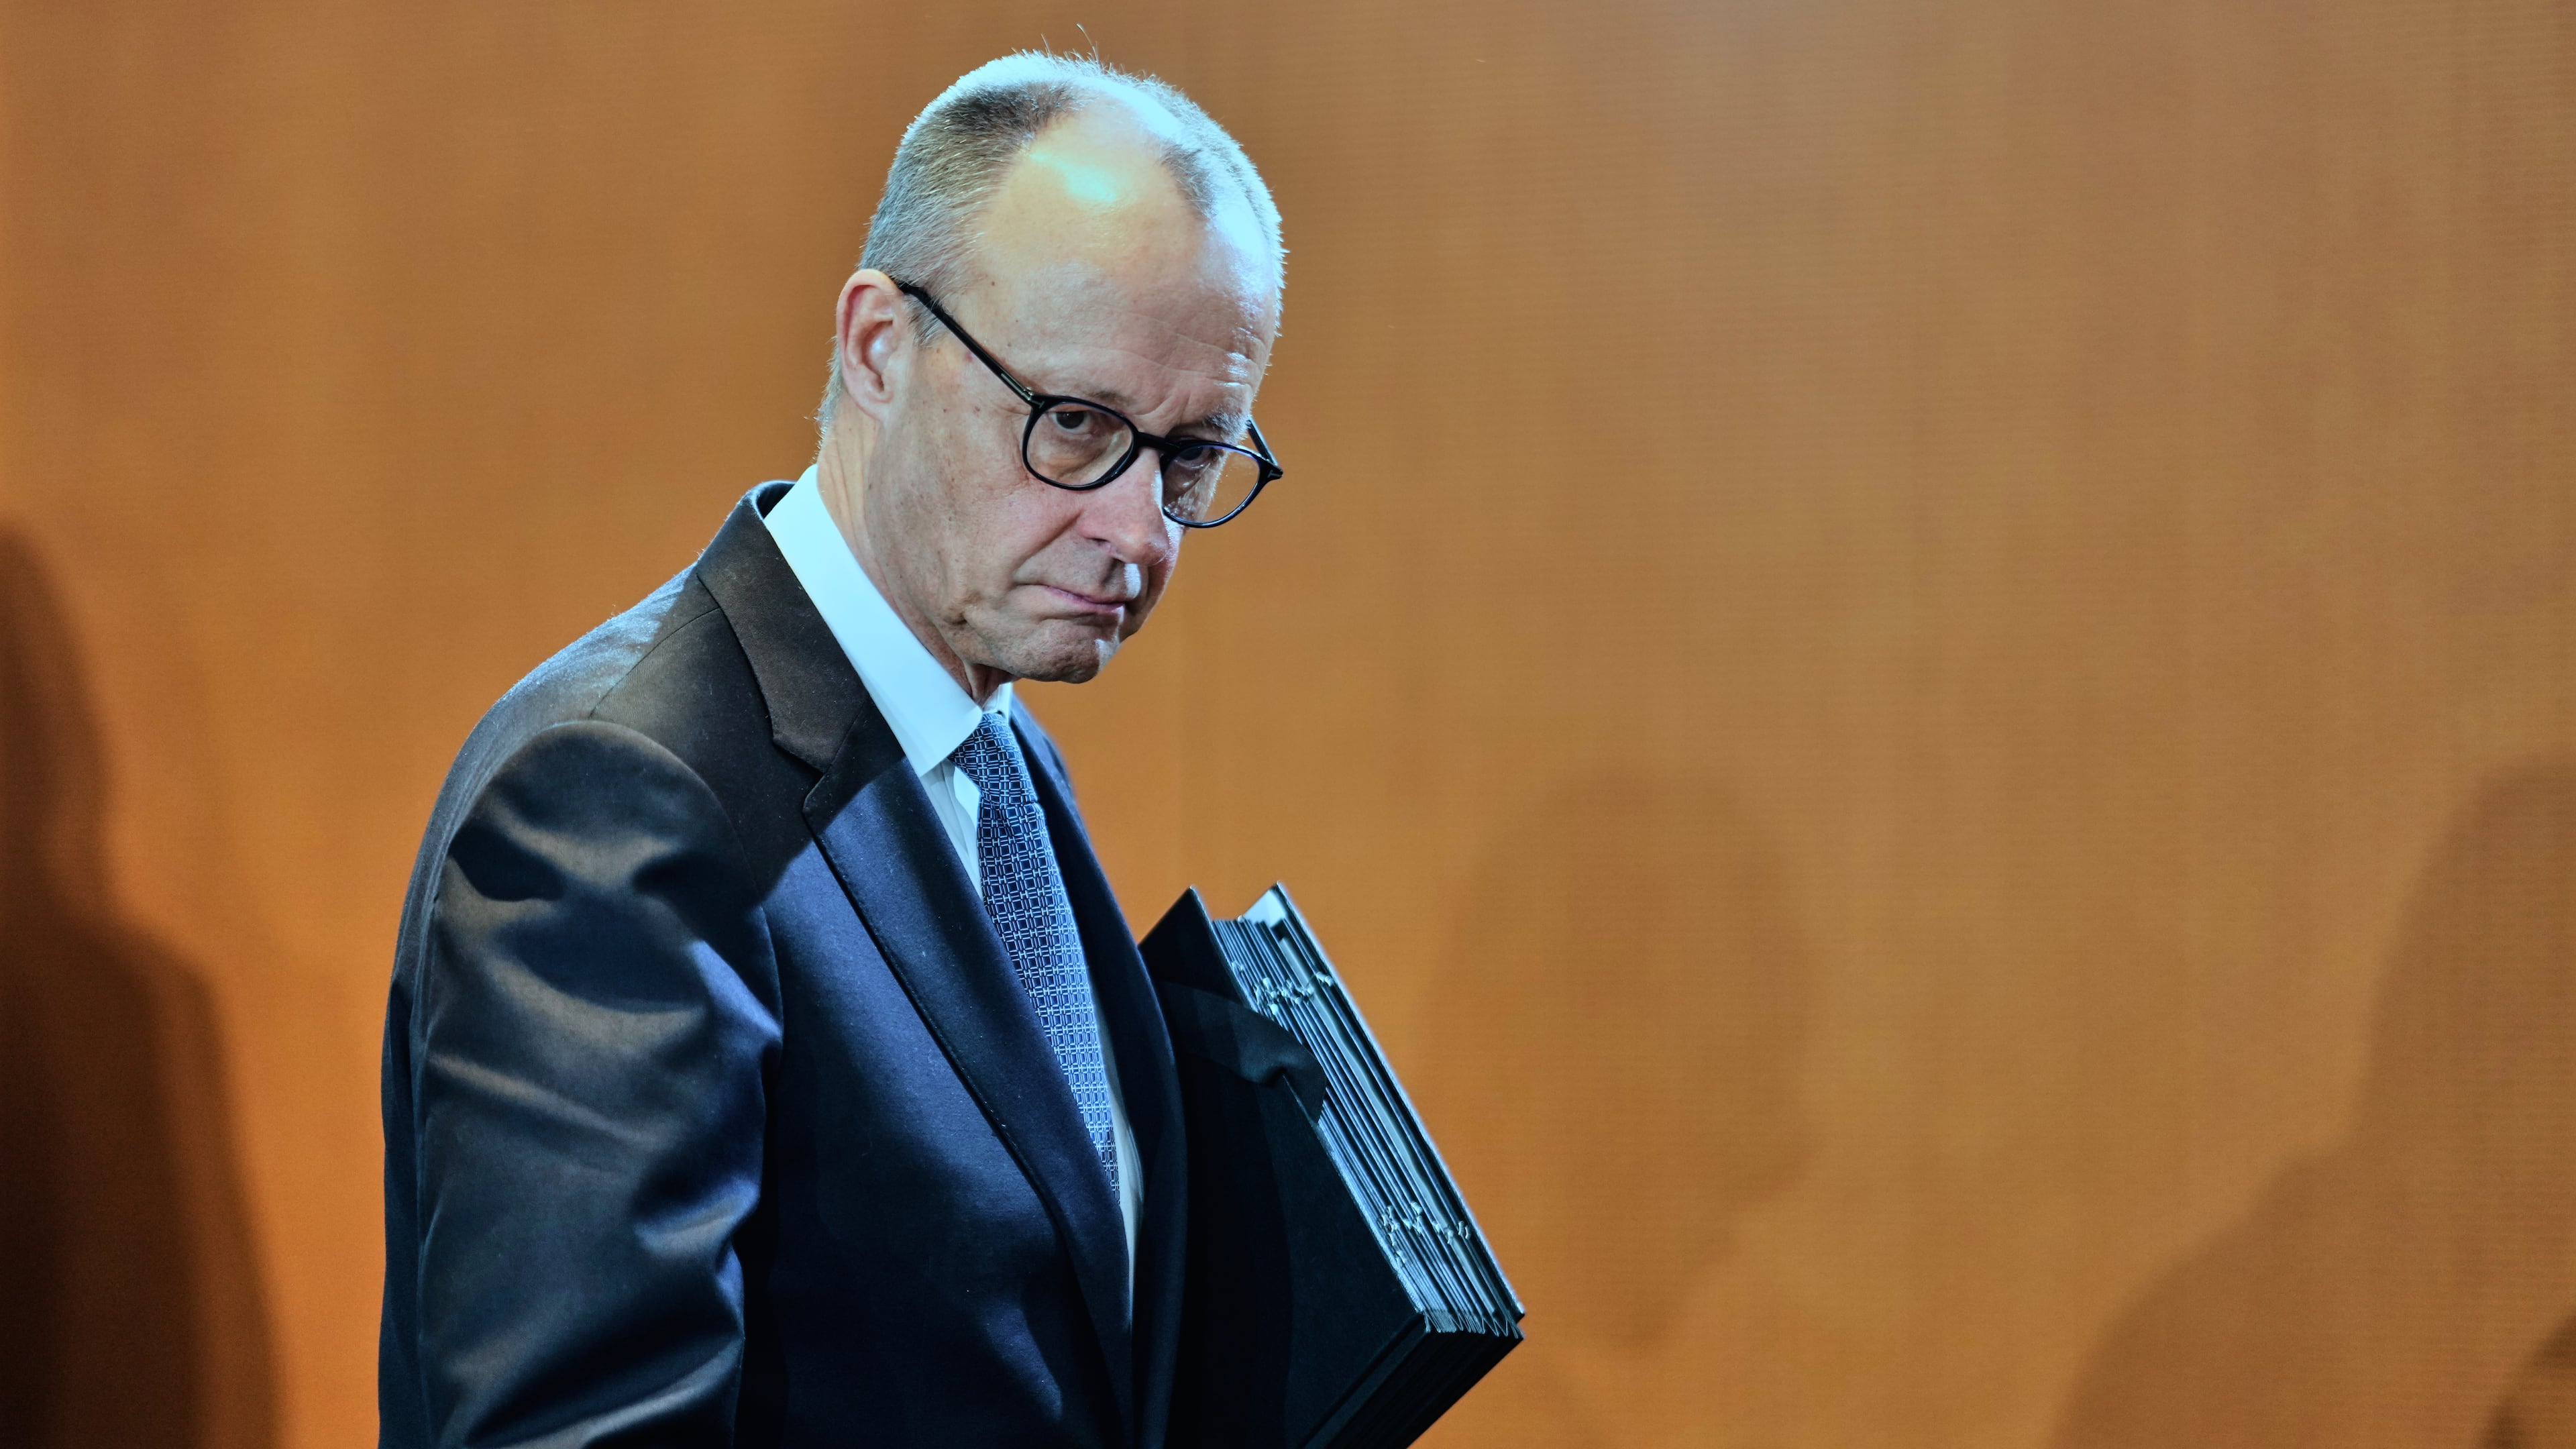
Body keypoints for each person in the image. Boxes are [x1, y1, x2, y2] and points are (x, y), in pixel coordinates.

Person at [376, 52, 1286, 1448]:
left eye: (1189, 458)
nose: (1142, 532)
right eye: (1079, 426)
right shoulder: (618, 797)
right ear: (877, 347)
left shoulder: (994, 748)